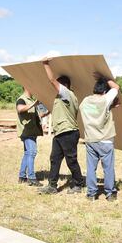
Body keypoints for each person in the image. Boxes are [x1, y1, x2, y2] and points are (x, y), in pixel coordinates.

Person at [39, 57, 86, 194]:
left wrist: (45, 64)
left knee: (71, 160)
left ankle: (78, 184)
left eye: (59, 85)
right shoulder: (62, 98)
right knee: (54, 159)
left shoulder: (67, 93)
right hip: (60, 132)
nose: (55, 87)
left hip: (68, 132)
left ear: (64, 85)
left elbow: (52, 80)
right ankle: (52, 186)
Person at [80, 73, 120, 201]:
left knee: (91, 168)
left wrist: (110, 108)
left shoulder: (85, 101)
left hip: (91, 139)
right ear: (104, 91)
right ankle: (109, 194)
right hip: (105, 139)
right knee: (108, 168)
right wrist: (106, 78)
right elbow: (116, 87)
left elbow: (95, 111)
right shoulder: (105, 99)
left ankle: (91, 194)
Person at [16, 86, 47, 186]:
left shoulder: (31, 100)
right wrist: (34, 104)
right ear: (27, 87)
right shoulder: (22, 99)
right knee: (32, 152)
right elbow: (20, 109)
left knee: (27, 153)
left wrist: (48, 111)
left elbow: (37, 115)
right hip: (27, 132)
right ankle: (32, 178)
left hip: (32, 132)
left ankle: (22, 176)